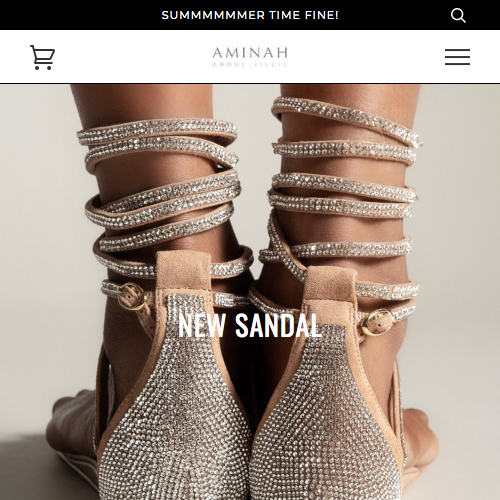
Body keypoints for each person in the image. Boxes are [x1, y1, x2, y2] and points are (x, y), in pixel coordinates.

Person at [47, 84, 438, 499]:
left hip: (152, 319)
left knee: (162, 232)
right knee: (345, 230)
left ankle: (168, 361)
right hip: (361, 326)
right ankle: (349, 397)